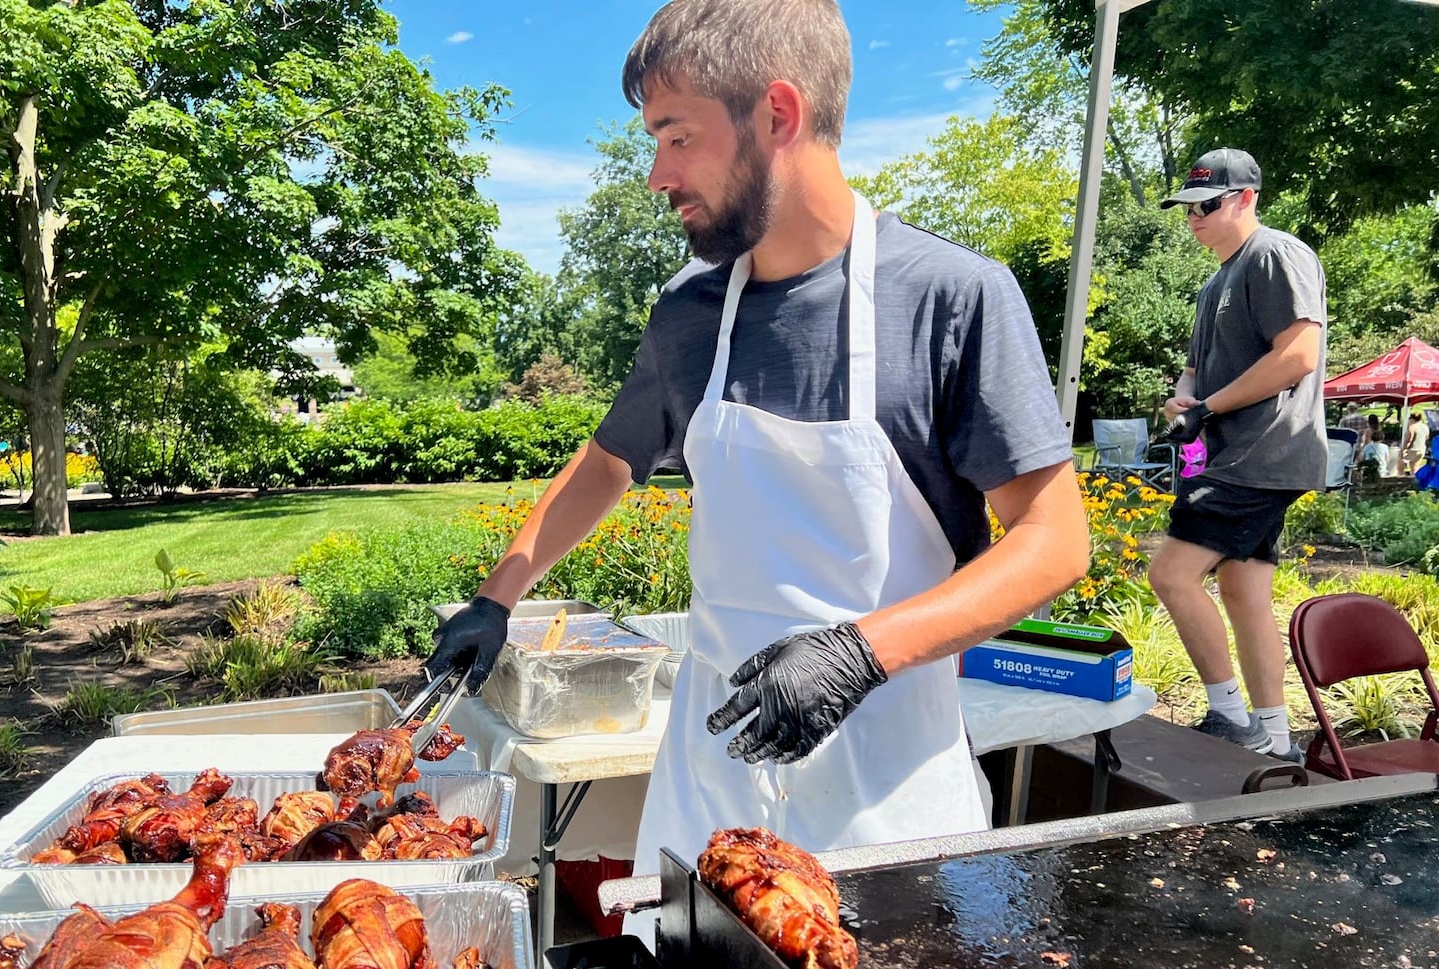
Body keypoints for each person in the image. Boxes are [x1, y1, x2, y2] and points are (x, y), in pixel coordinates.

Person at [427, 0, 1088, 909]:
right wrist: (497, 596)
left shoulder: (952, 297)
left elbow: (1054, 542)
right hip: (711, 776)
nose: (657, 175)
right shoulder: (690, 315)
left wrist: (861, 652)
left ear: (778, 114)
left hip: (884, 790)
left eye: (676, 136)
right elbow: (610, 462)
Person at [1149, 147, 1327, 766]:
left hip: (1261, 453)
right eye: (1188, 207)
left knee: (1170, 574)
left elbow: (1299, 354)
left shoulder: (1276, 254)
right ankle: (1274, 736)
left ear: (1246, 197)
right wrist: (1182, 400)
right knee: (1243, 588)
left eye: (1208, 204)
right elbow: (1195, 371)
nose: (1194, 217)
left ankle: (1226, 715)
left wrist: (1210, 408)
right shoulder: (1215, 282)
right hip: (1237, 453)